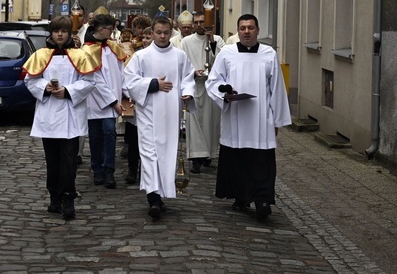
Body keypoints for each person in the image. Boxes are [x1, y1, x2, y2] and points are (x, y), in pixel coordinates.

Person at [205, 14, 292, 221]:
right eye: (242, 28)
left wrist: (277, 120)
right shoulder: (226, 53)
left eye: (250, 28)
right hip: (235, 115)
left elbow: (277, 89)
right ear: (237, 31)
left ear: (258, 30)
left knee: (261, 160)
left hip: (261, 119)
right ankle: (240, 197)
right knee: (237, 159)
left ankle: (262, 200)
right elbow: (213, 81)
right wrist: (224, 94)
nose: (246, 31)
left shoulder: (268, 54)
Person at [24, 16, 100, 220]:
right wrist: (45, 88)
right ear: (51, 32)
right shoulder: (40, 54)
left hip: (70, 117)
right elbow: (30, 80)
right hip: (49, 117)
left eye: (64, 31)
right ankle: (54, 197)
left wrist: (68, 91)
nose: (60, 34)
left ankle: (68, 198)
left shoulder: (80, 55)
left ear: (69, 33)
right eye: (56, 31)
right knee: (52, 161)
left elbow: (90, 81)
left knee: (68, 161)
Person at [124, 16, 196, 218]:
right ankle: (153, 198)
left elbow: (188, 78)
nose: (163, 36)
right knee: (149, 155)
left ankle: (161, 194)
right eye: (159, 32)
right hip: (148, 114)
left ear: (170, 33)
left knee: (166, 155)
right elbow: (129, 80)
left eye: (166, 32)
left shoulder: (180, 56)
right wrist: (154, 84)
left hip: (170, 114)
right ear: (152, 33)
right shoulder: (142, 56)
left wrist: (188, 92)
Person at [82, 14, 128, 189]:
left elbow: (121, 72)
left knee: (110, 133)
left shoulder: (112, 47)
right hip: (95, 101)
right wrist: (112, 101)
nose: (113, 32)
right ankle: (97, 169)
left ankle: (109, 169)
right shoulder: (87, 50)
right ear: (101, 29)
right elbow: (96, 79)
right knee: (95, 136)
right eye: (111, 29)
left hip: (113, 101)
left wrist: (126, 93)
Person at [180, 12, 226, 174]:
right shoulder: (186, 41)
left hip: (211, 88)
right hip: (194, 86)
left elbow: (221, 61)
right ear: (193, 24)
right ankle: (195, 158)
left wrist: (212, 42)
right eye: (197, 22)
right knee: (194, 123)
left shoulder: (218, 40)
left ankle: (208, 155)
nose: (199, 25)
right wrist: (193, 73)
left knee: (210, 123)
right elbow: (182, 63)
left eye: (202, 22)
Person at [120, 26, 153, 184]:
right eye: (144, 38)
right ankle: (132, 169)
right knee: (134, 140)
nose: (146, 41)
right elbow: (126, 79)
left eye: (149, 37)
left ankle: (147, 171)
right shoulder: (135, 56)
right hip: (137, 105)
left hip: (153, 104)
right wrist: (131, 95)